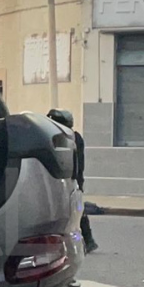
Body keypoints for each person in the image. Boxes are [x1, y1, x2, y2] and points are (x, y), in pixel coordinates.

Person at [47, 109, 97, 254]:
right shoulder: (71, 137)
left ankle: (86, 240)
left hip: (69, 179)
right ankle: (83, 240)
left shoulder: (68, 138)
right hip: (70, 178)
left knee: (76, 211)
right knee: (74, 210)